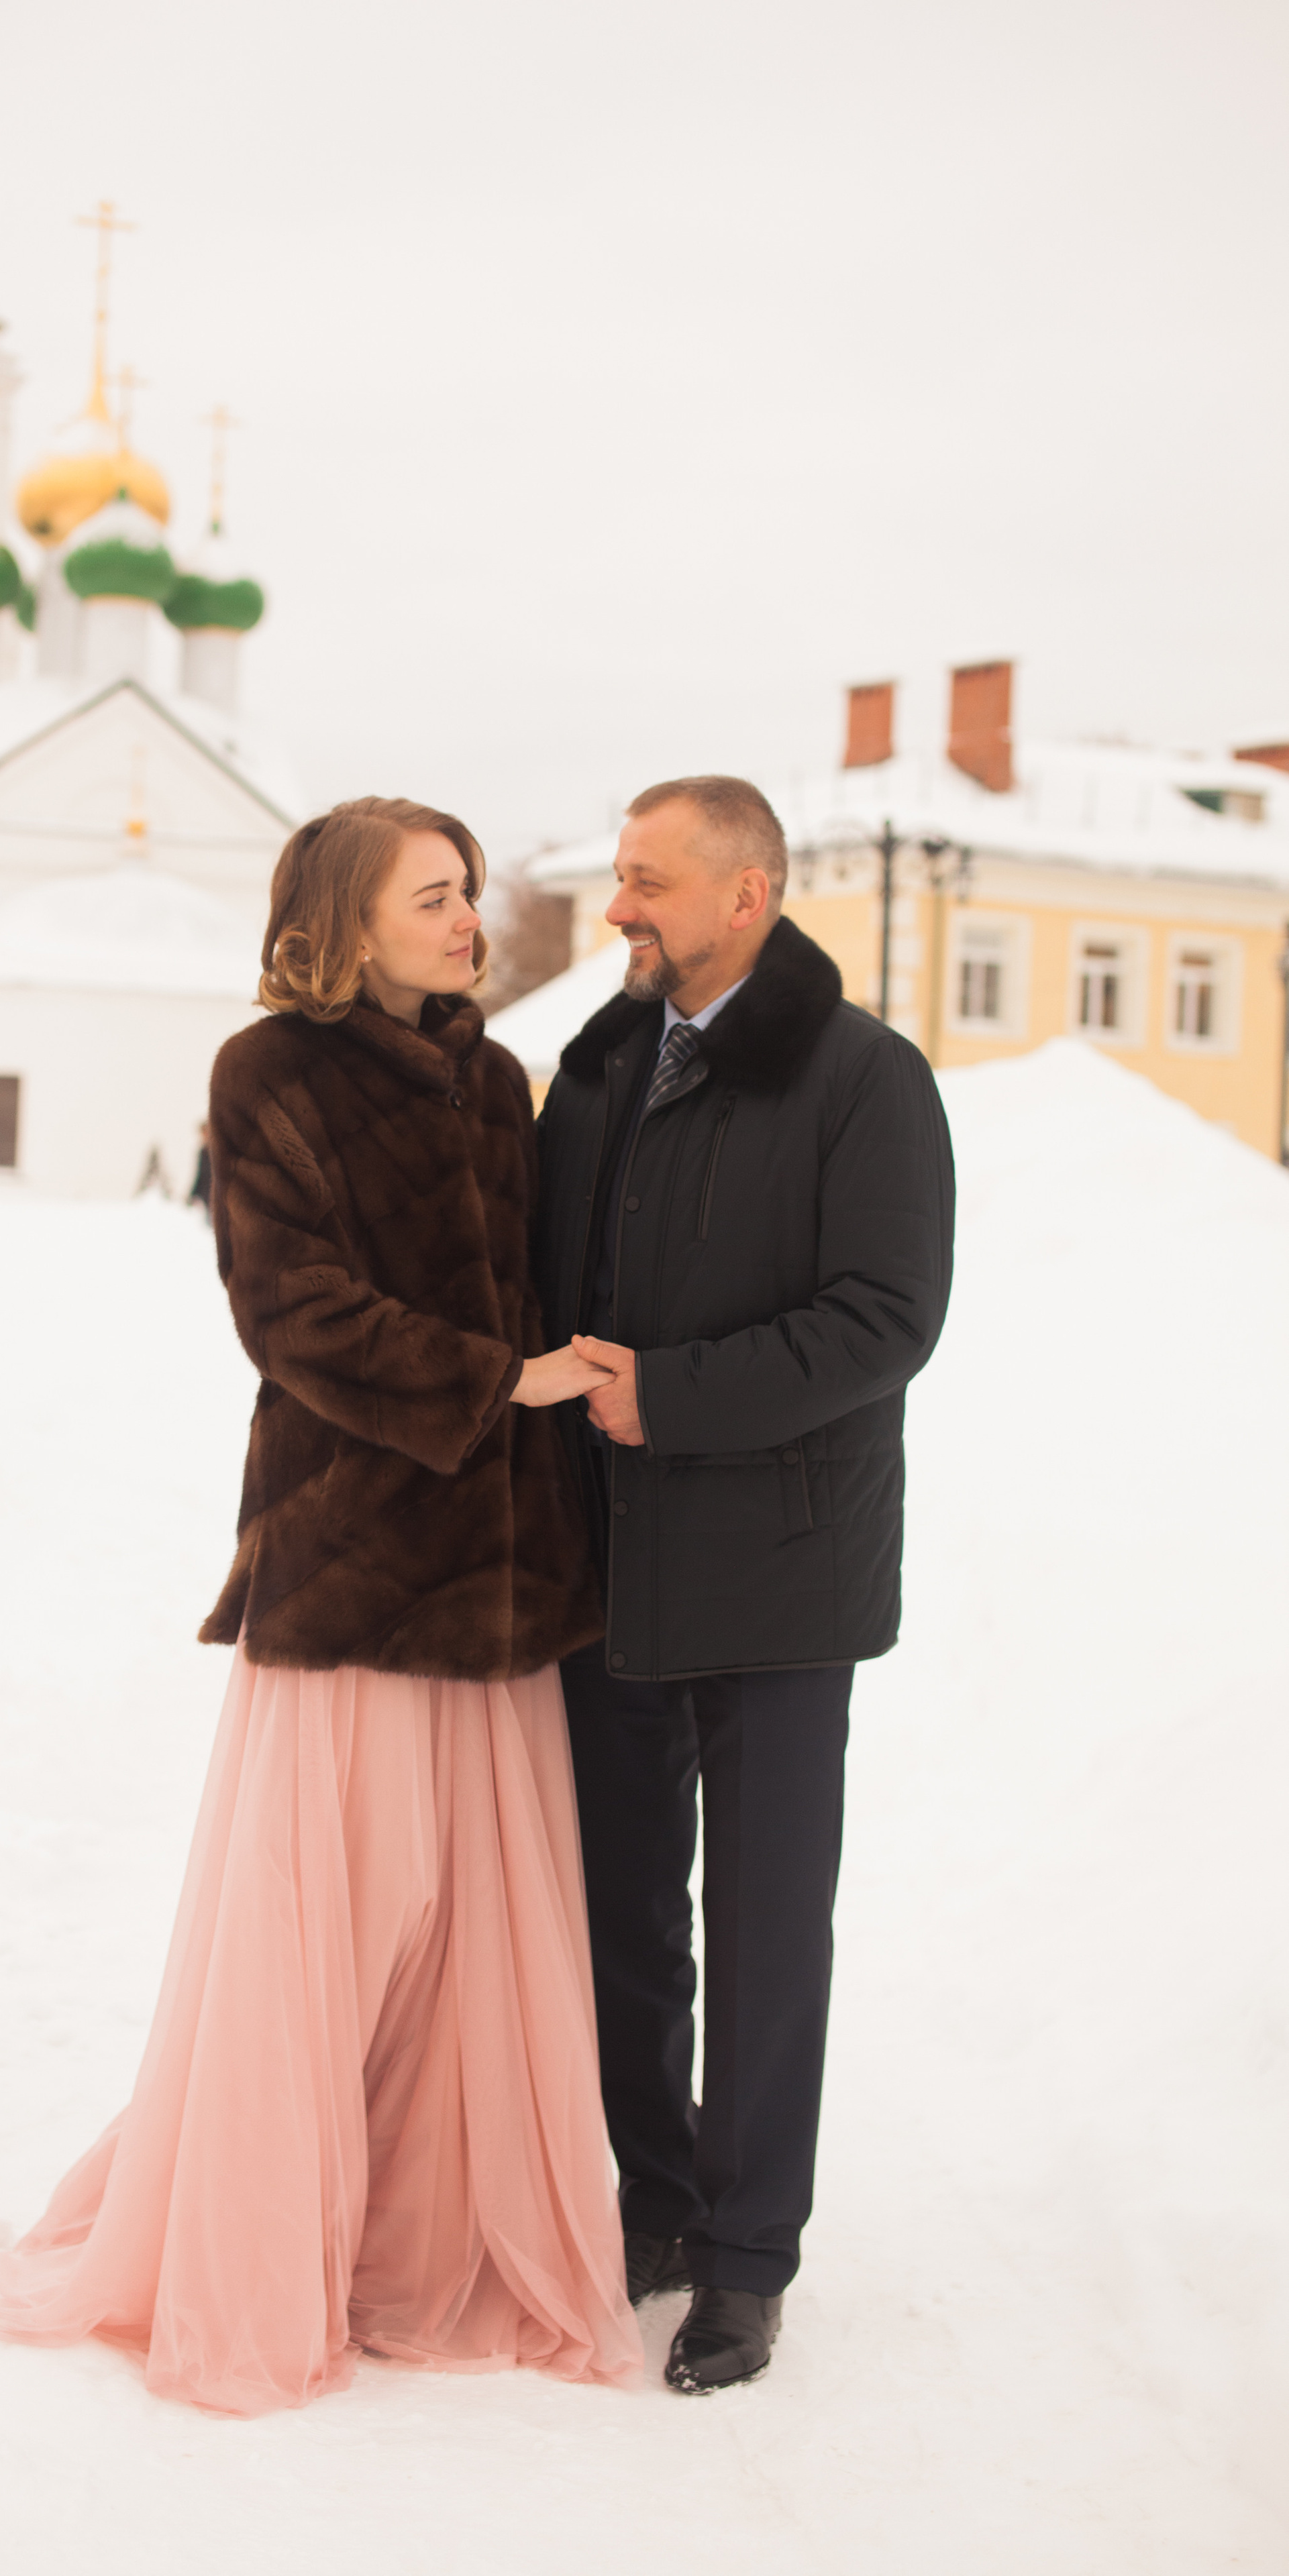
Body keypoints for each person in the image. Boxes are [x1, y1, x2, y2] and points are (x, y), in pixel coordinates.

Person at [0, 796, 641, 2416]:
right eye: (433, 895)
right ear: (346, 922)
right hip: (351, 1570)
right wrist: (513, 1379)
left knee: (475, 1949)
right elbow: (295, 1318)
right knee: (323, 1937)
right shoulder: (265, 1074)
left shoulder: (499, 1081)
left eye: (470, 891)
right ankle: (260, 2256)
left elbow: (544, 1292)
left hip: (496, 1587)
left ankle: (429, 2253)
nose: (466, 917)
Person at [533, 775, 956, 2395]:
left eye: (647, 880)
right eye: (621, 877)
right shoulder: (594, 1068)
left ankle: (744, 2259)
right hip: (609, 1569)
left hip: (782, 1582)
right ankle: (651, 2204)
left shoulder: (865, 1081)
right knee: (624, 1918)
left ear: (746, 896)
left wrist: (674, 1395)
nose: (619, 906)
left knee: (769, 1929)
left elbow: (885, 1319)